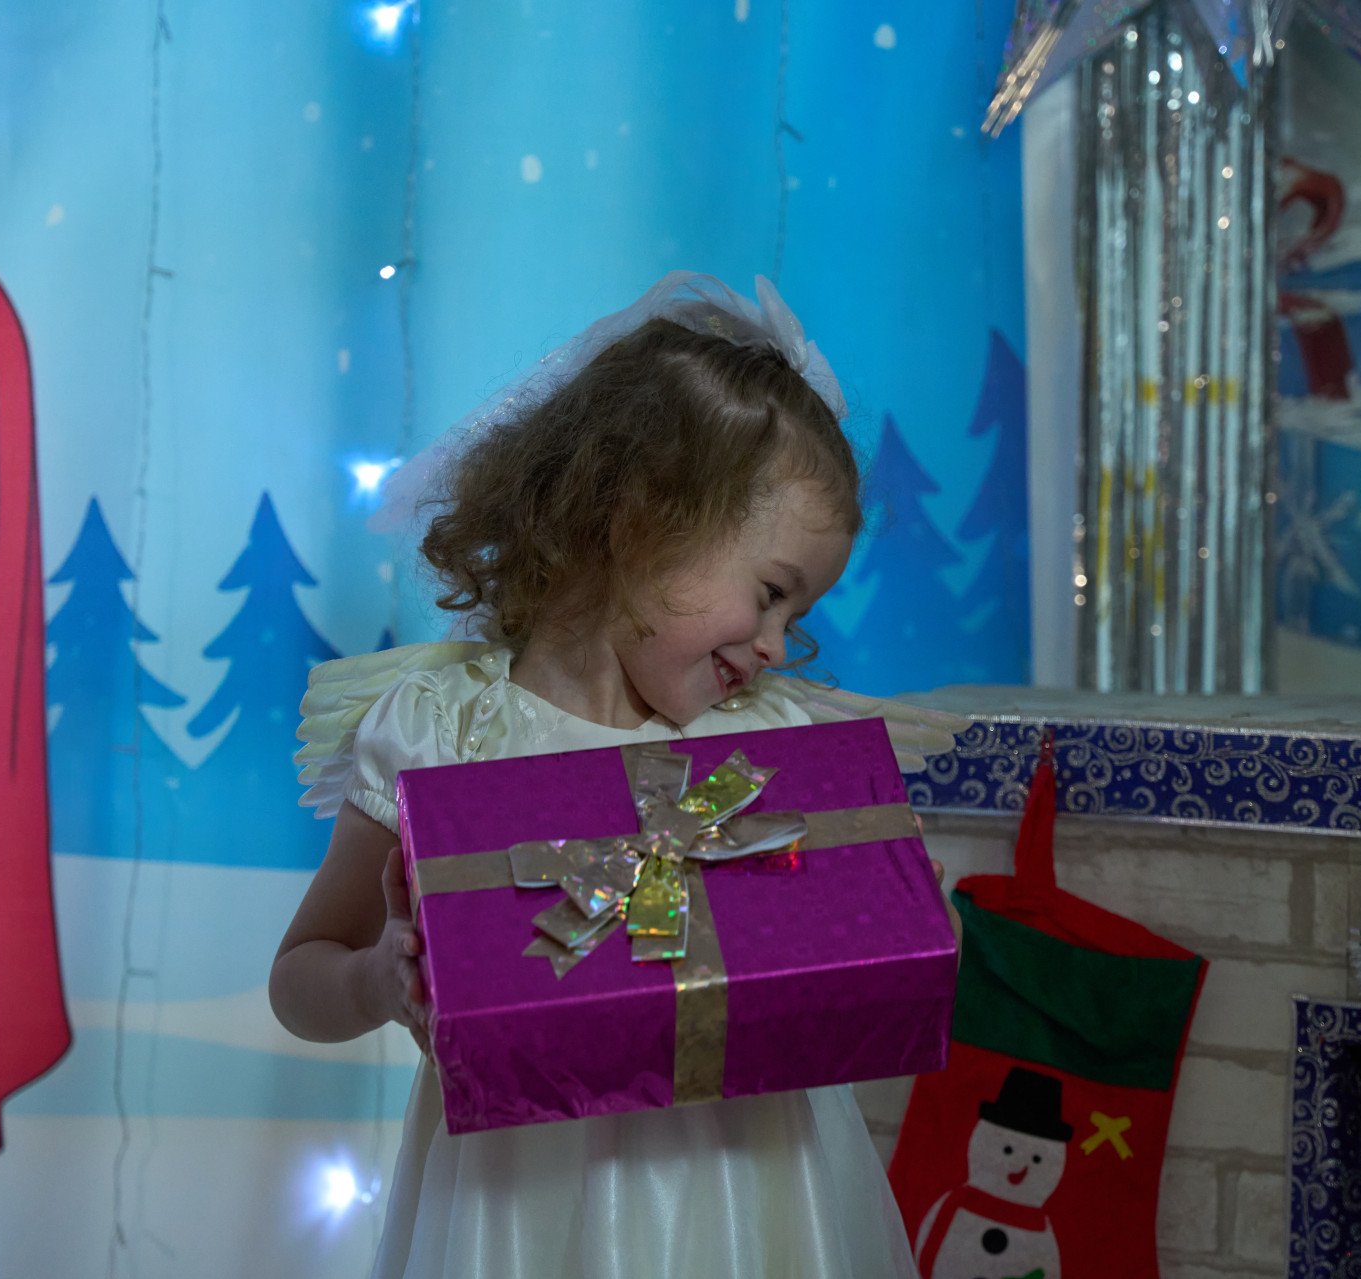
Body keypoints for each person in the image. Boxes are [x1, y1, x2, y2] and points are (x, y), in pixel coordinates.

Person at [269, 273, 959, 1278]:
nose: (774, 646)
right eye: (770, 595)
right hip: (518, 1214)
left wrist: (889, 917)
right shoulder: (442, 733)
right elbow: (300, 977)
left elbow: (833, 980)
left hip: (750, 1210)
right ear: (642, 520)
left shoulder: (768, 745)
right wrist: (379, 978)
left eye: (794, 620)